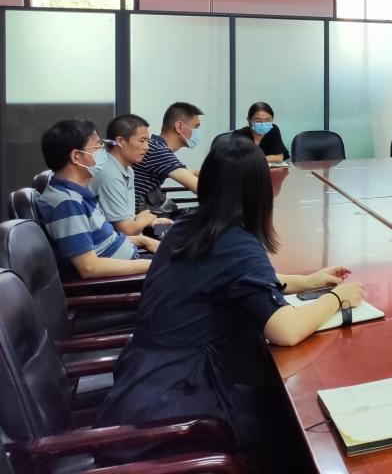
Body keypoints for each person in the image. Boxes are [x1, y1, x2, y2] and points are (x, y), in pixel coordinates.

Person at [96, 136, 365, 473]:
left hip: (142, 385)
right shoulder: (236, 243)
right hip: (182, 403)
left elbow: (234, 279)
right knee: (299, 429)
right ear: (260, 192)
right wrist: (337, 299)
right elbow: (286, 331)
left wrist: (307, 282)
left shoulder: (188, 226)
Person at [36, 119, 156, 279]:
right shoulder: (67, 204)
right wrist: (153, 265)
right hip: (121, 281)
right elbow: (89, 267)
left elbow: (102, 242)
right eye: (98, 147)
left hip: (130, 262)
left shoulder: (77, 194)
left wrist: (144, 241)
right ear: (76, 156)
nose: (103, 152)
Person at [92, 114, 174, 237]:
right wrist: (145, 219)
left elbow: (128, 219)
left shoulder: (128, 170)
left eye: (147, 141)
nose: (147, 147)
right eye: (142, 141)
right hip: (118, 244)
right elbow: (126, 231)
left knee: (177, 236)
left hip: (132, 239)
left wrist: (152, 221)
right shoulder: (109, 175)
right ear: (120, 142)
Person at [133, 101, 203, 205]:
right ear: (179, 127)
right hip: (136, 213)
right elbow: (200, 189)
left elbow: (183, 172)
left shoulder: (154, 146)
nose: (198, 132)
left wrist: (199, 172)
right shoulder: (158, 151)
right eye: (195, 127)